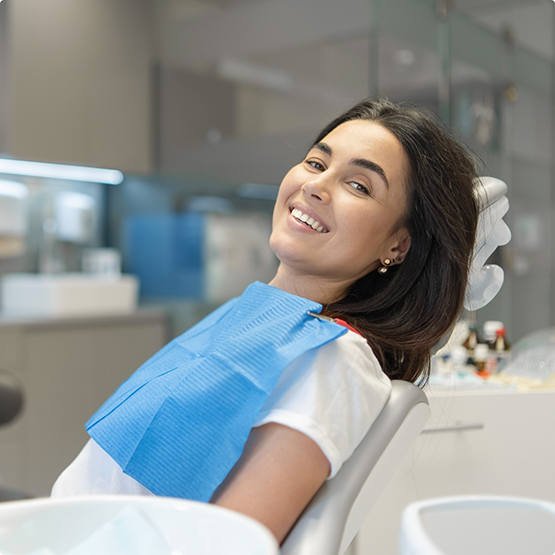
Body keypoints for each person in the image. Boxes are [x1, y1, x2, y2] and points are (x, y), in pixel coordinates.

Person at [51, 98, 479, 543]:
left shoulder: (334, 359)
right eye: (316, 162)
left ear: (397, 245)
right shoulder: (251, 314)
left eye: (358, 186)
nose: (316, 186)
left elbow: (230, 545)